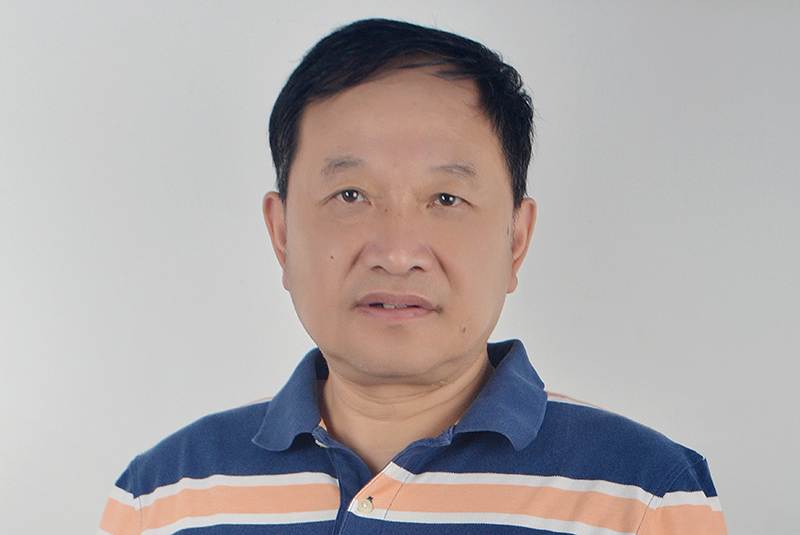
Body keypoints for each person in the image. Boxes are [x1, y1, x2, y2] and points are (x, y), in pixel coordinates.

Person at [97, 19, 727, 535]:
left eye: (446, 199)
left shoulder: (642, 496)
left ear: (516, 239)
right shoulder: (163, 499)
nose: (397, 254)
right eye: (350, 194)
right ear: (282, 233)